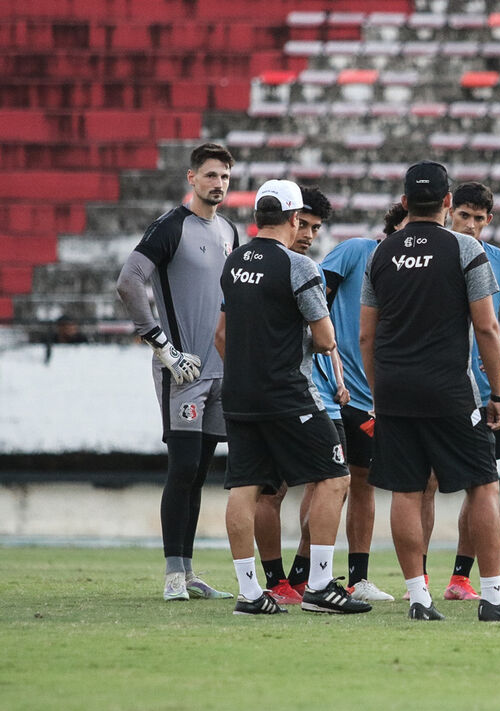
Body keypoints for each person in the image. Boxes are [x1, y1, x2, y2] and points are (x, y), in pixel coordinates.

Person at [360, 160, 500, 622]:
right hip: (449, 390)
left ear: (403, 203)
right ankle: (494, 598)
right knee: (483, 484)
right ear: (446, 203)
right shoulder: (465, 249)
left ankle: (419, 599)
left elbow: (365, 337)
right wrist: (498, 394)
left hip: (395, 391)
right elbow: (486, 326)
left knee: (405, 490)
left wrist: (381, 392)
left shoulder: (379, 255)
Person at [215, 179, 370, 616]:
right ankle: (320, 584)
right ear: (295, 218)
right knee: (336, 476)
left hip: (239, 394)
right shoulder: (298, 267)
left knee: (244, 489)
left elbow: (221, 336)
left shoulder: (233, 263)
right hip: (288, 393)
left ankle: (250, 593)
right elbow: (324, 339)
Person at [116, 142, 238, 602]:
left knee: (201, 469)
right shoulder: (171, 227)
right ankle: (171, 574)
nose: (218, 183)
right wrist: (162, 346)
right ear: (192, 178)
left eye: (224, 176)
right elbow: (129, 280)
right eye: (210, 175)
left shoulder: (229, 231)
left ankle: (188, 573)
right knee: (183, 466)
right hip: (182, 372)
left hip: (220, 372)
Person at [416, 181, 500, 602]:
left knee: (481, 484)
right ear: (449, 211)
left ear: (489, 220)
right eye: (463, 215)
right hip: (438, 387)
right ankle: (422, 579)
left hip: (484, 393)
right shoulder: (431, 256)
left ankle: (460, 579)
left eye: (477, 218)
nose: (469, 225)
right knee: (425, 484)